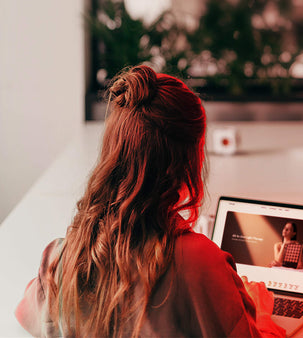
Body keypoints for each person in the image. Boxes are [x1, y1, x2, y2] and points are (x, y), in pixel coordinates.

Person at [14, 65, 285, 337]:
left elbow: (27, 314)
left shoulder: (60, 258)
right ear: (189, 161)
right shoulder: (200, 263)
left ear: (112, 151)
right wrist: (259, 312)